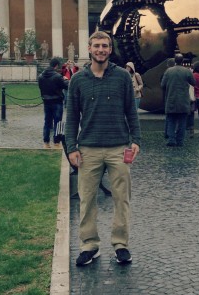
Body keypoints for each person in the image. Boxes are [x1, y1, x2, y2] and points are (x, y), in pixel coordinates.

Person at [65, 30, 141, 266]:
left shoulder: (121, 78)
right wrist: (71, 147)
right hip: (88, 149)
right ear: (89, 49)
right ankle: (89, 245)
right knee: (87, 200)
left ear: (110, 49)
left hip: (118, 147)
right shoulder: (78, 80)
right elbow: (72, 119)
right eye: (96, 46)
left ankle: (121, 245)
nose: (101, 50)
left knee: (122, 199)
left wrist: (136, 139)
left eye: (105, 46)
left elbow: (131, 110)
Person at [161, 53, 195, 147]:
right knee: (182, 122)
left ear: (175, 61)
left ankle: (171, 139)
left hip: (171, 100)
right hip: (183, 101)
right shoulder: (187, 71)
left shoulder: (168, 71)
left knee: (171, 121)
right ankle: (180, 141)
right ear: (182, 61)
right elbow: (193, 82)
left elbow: (162, 85)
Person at [38, 57, 69, 149]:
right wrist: (66, 79)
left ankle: (46, 142)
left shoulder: (40, 76)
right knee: (58, 122)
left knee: (47, 122)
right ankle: (57, 142)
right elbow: (66, 86)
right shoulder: (57, 76)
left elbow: (41, 89)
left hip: (46, 101)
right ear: (56, 66)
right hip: (57, 101)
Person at [187, 61, 199, 138]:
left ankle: (191, 132)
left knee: (191, 114)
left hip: (193, 98)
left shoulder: (192, 75)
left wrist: (191, 70)